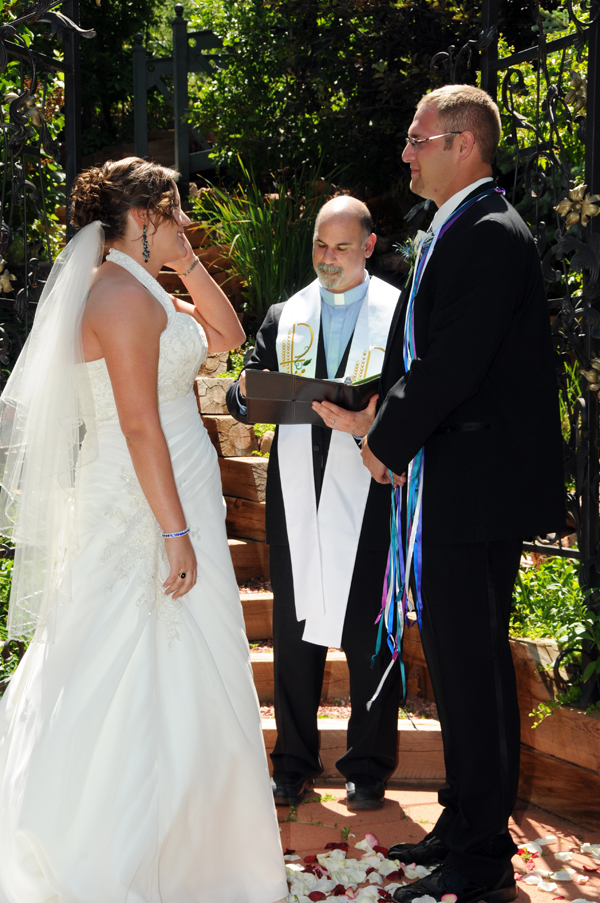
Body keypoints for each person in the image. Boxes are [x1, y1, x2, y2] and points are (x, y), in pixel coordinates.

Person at [0, 157, 288, 903]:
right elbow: (137, 424)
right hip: (142, 504)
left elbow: (226, 336)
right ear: (144, 217)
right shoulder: (121, 298)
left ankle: (190, 846)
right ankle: (112, 850)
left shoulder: (145, 287)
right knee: (120, 666)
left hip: (170, 492)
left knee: (190, 666)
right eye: (177, 213)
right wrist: (174, 531)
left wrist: (187, 262)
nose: (186, 223)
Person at [360, 86, 565, 903]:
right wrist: (361, 396)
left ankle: (482, 858)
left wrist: (383, 440)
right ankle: (461, 820)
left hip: (477, 489)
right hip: (452, 485)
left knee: (474, 671)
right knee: (453, 664)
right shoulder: (450, 226)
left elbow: (455, 363)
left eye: (417, 139)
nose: (406, 152)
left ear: (464, 144)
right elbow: (420, 351)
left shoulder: (489, 232)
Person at [227, 196, 401, 810]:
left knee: (369, 635)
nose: (328, 260)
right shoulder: (285, 314)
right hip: (296, 494)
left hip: (369, 491)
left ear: (369, 247)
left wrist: (375, 423)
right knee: (293, 635)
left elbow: (412, 391)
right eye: (320, 248)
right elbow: (242, 390)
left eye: (342, 248)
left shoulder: (398, 312)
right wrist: (244, 393)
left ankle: (369, 764)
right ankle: (293, 762)